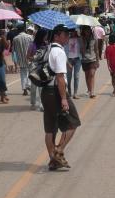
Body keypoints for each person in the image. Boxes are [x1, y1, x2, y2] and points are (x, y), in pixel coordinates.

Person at [42, 25, 82, 170]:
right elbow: (59, 77)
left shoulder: (47, 49)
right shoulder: (59, 51)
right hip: (56, 92)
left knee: (50, 129)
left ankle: (53, 161)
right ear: (57, 36)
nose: (67, 37)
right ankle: (58, 151)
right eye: (65, 34)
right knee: (73, 122)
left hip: (46, 92)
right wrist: (64, 98)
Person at [28, 28, 49, 111]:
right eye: (45, 35)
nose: (46, 37)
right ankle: (33, 102)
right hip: (34, 68)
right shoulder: (32, 45)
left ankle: (42, 105)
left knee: (41, 87)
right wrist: (34, 58)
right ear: (41, 35)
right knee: (33, 87)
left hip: (43, 68)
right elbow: (28, 56)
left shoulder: (46, 45)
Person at [13, 26, 35, 96]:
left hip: (21, 59)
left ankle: (24, 89)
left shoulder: (15, 38)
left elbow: (14, 50)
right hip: (29, 58)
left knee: (23, 74)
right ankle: (28, 85)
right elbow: (33, 47)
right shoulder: (30, 37)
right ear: (24, 30)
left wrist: (15, 60)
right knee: (30, 72)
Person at [81, 26, 100, 98]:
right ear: (83, 31)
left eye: (88, 30)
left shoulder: (94, 38)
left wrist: (98, 61)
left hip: (93, 59)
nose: (87, 32)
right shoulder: (81, 39)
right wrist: (83, 42)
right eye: (86, 30)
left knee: (92, 74)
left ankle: (92, 91)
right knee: (87, 75)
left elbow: (96, 50)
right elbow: (81, 50)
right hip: (84, 59)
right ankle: (89, 89)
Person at [65, 30, 82, 98]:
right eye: (70, 31)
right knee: (68, 78)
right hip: (69, 59)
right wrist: (67, 61)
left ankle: (75, 93)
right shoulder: (66, 39)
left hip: (77, 59)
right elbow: (64, 50)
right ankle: (69, 92)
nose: (72, 33)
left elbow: (82, 47)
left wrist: (80, 37)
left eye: (73, 31)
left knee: (76, 76)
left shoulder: (79, 39)